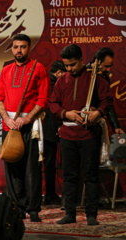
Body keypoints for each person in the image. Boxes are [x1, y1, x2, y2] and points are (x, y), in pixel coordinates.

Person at [49, 44, 112, 225]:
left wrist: (97, 112)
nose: (69, 69)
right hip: (67, 134)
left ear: (82, 60)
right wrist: (65, 114)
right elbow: (53, 103)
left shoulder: (95, 78)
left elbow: (107, 100)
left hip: (88, 134)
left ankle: (92, 215)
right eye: (66, 65)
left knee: (91, 175)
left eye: (73, 65)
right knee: (69, 175)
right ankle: (70, 213)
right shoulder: (62, 80)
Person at [0, 34, 50, 222]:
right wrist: (6, 119)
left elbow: (43, 100)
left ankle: (33, 209)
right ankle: (17, 206)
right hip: (8, 125)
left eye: (23, 47)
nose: (19, 50)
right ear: (11, 48)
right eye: (16, 47)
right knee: (11, 167)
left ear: (29, 48)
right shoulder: (6, 70)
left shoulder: (38, 68)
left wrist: (26, 120)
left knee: (31, 169)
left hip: (29, 126)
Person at [87, 47, 124, 137]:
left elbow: (107, 102)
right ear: (97, 62)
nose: (108, 70)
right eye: (106, 66)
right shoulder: (84, 74)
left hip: (96, 123)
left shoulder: (104, 76)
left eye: (109, 66)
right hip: (80, 123)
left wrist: (115, 126)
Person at [43, 60, 66, 205]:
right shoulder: (54, 84)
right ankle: (50, 194)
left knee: (49, 162)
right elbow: (53, 108)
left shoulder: (45, 81)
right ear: (58, 73)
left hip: (46, 127)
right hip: (51, 127)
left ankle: (50, 193)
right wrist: (59, 124)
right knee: (50, 162)